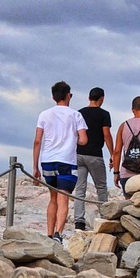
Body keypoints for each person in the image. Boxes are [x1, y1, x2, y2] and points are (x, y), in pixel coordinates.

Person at [33, 81, 88, 242]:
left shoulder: (44, 114)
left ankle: (49, 234)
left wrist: (35, 166)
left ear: (53, 97)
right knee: (63, 198)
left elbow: (37, 141)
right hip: (66, 161)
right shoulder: (75, 115)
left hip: (47, 160)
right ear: (68, 95)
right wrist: (73, 139)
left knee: (52, 198)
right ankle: (58, 234)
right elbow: (84, 140)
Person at [74, 87, 113, 231]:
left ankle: (79, 221)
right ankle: (104, 216)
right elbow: (106, 134)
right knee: (101, 187)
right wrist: (113, 154)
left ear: (89, 97)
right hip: (95, 154)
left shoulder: (79, 113)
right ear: (102, 98)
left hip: (79, 154)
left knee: (80, 189)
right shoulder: (104, 114)